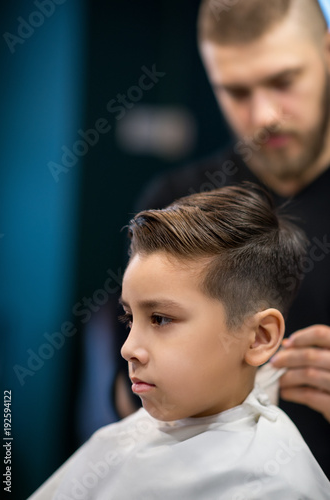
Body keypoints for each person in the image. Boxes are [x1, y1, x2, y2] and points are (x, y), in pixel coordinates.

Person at [108, 0, 330, 478]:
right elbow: (123, 382)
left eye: (283, 81)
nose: (264, 114)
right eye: (235, 91)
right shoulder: (176, 199)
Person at [29, 184, 330, 499]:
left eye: (160, 319)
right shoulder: (119, 441)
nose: (127, 349)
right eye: (129, 318)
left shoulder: (276, 486)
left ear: (259, 338)